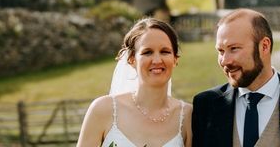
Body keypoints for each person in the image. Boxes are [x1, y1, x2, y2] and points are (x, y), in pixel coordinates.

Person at [192, 9, 280, 147]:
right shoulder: (205, 105)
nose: (225, 61)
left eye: (234, 48)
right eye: (221, 51)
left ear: (264, 46)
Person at [77, 18, 193, 147]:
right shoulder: (103, 109)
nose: (157, 60)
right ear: (132, 59)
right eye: (147, 52)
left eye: (165, 52)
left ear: (175, 59)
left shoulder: (187, 116)